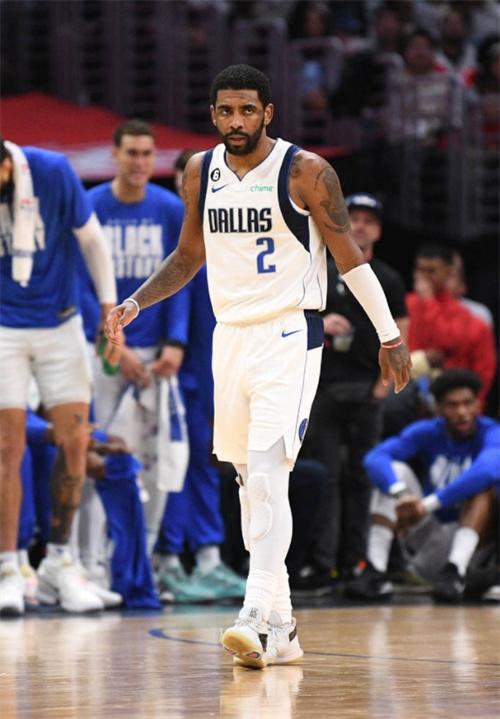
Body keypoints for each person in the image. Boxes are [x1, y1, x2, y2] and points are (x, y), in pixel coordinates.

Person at [105, 64, 411, 669]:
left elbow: (350, 258)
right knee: (250, 483)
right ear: (213, 114)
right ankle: (284, 628)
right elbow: (188, 255)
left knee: (270, 473)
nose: (236, 121)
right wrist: (136, 302)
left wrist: (389, 334)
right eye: (225, 111)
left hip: (290, 331)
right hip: (231, 336)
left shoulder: (306, 171)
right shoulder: (200, 171)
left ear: (268, 112)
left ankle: (253, 612)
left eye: (247, 110)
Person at [0, 138, 117, 616]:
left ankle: (59, 562)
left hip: (60, 321)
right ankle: (8, 568)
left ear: (6, 168)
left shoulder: (52, 170)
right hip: (4, 327)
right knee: (7, 447)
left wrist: (108, 309)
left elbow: (92, 240)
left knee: (75, 441)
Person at [82, 119, 189, 563]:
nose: (140, 162)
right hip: (105, 352)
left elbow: (182, 276)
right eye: (131, 153)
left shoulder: (169, 208)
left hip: (156, 357)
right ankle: (92, 563)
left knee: (155, 461)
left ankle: (140, 563)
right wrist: (113, 344)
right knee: (100, 454)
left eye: (147, 154)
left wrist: (176, 342)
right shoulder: (91, 205)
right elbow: (81, 283)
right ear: (115, 154)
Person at [301, 193, 408, 584]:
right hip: (324, 388)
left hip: (365, 388)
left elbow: (402, 332)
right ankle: (324, 562)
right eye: (354, 218)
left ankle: (358, 561)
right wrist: (321, 321)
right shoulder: (319, 270)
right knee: (326, 475)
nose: (360, 226)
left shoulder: (389, 278)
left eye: (368, 220)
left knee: (363, 477)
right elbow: (292, 319)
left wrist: (382, 388)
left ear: (378, 231)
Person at [347, 369, 499, 603]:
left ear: (478, 405)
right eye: (452, 405)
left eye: (467, 403)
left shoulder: (491, 432)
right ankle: (374, 571)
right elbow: (375, 457)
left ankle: (455, 573)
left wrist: (426, 505)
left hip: (473, 547)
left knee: (483, 487)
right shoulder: (427, 431)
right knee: (393, 473)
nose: (462, 412)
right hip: (429, 539)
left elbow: (488, 470)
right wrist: (400, 494)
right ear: (438, 409)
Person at [406, 244, 497, 408]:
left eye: (431, 271)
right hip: (406, 392)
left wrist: (428, 302)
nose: (423, 277)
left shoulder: (465, 316)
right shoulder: (405, 305)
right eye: (420, 270)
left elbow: (447, 343)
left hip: (451, 400)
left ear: (448, 273)